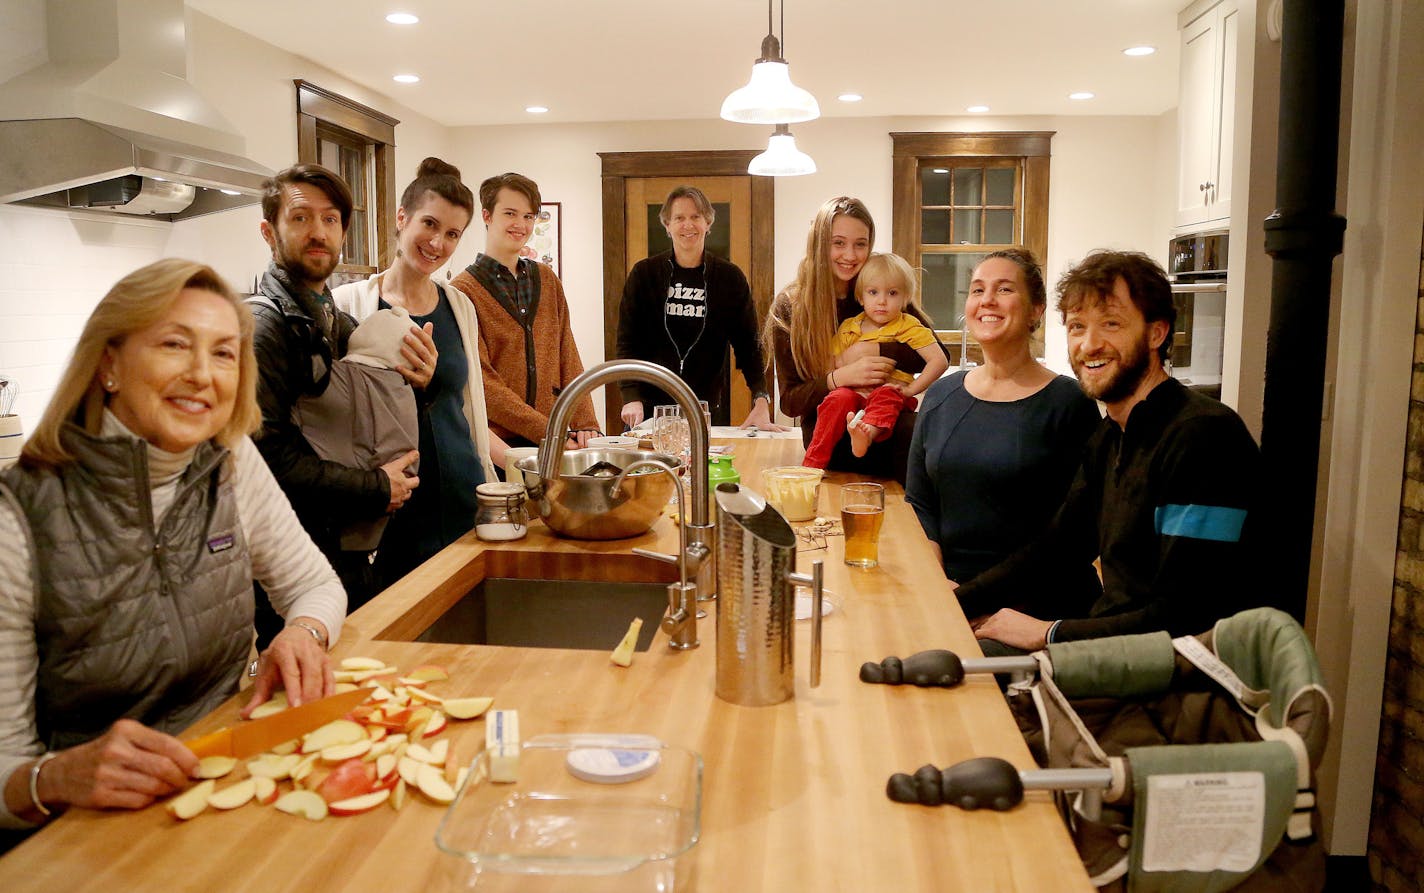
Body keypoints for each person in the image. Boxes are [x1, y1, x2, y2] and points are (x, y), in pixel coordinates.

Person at [0, 259, 344, 835]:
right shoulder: (18, 516)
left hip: (228, 786)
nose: (202, 375)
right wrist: (57, 776)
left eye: (224, 353)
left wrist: (302, 634)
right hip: (84, 835)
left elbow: (314, 585)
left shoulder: (230, 459)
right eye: (174, 345)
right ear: (108, 363)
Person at [955, 250, 1261, 653]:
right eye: (1077, 326)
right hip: (1117, 653)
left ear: (1156, 333)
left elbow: (1189, 616)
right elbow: (1058, 547)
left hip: (1180, 680)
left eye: (1111, 324)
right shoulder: (1111, 435)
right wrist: (953, 604)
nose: (1089, 344)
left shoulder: (1203, 437)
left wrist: (1049, 634)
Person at [249, 163, 434, 628]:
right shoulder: (263, 328)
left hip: (340, 553)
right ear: (269, 232)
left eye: (330, 220)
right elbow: (264, 458)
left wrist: (419, 386)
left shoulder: (336, 321)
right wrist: (373, 488)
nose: (318, 232)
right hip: (289, 566)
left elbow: (360, 424)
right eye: (301, 218)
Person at [334, 157, 503, 587]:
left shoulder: (459, 305)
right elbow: (340, 413)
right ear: (402, 218)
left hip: (462, 495)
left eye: (452, 234)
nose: (437, 243)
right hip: (392, 508)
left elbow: (469, 409)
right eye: (429, 224)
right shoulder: (350, 305)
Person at [905, 248, 1101, 590]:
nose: (987, 300)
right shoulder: (941, 396)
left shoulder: (1069, 402)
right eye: (978, 290)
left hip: (1034, 602)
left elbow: (1080, 531)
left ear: (1035, 310)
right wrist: (939, 585)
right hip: (949, 593)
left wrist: (977, 598)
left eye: (1005, 289)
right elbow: (920, 505)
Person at [763, 196, 947, 481]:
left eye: (860, 244)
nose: (850, 255)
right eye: (838, 243)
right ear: (819, 243)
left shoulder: (880, 291)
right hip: (831, 439)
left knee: (919, 438)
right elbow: (790, 402)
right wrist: (841, 374)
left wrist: (871, 348)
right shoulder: (791, 306)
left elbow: (934, 352)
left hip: (887, 430)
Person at [450, 172, 599, 451]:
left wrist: (585, 421)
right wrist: (549, 431)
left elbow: (566, 350)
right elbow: (482, 383)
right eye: (510, 213)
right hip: (498, 444)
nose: (521, 224)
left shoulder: (547, 279)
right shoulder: (462, 291)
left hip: (556, 437)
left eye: (529, 216)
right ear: (486, 215)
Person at [615, 185, 781, 431]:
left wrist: (760, 397)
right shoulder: (644, 274)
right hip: (648, 410)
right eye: (679, 218)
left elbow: (749, 344)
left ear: (708, 223)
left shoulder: (729, 277)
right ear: (667, 225)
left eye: (695, 217)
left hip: (706, 408)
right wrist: (631, 396)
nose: (688, 225)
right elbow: (627, 340)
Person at [803, 253, 948, 468]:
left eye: (892, 293)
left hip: (888, 393)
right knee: (836, 399)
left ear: (904, 298)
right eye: (873, 292)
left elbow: (939, 360)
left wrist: (911, 390)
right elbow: (829, 364)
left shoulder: (908, 325)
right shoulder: (849, 328)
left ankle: (865, 435)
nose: (882, 301)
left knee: (887, 395)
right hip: (853, 392)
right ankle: (813, 463)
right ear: (861, 297)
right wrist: (842, 368)